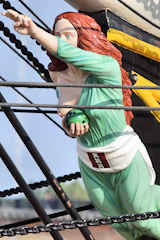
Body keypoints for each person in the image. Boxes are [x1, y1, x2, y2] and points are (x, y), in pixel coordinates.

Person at [2, 9, 160, 240]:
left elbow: (70, 54)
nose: (61, 40)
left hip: (122, 155)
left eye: (67, 34)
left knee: (144, 219)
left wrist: (34, 31)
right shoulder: (62, 77)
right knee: (123, 227)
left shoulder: (106, 66)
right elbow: (66, 115)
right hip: (91, 161)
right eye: (58, 35)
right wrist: (72, 119)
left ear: (84, 35)